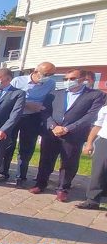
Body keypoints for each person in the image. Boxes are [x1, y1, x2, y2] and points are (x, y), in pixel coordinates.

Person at [29, 69, 106, 201]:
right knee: (46, 159)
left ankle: (62, 189)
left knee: (68, 162)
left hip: (74, 134)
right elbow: (45, 112)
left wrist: (68, 128)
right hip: (52, 132)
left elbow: (91, 116)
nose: (68, 82)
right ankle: (40, 184)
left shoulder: (95, 95)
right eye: (65, 79)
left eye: (72, 79)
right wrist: (53, 126)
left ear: (82, 79)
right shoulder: (54, 94)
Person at [0, 62, 57, 188]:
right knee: (8, 144)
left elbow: (50, 100)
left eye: (51, 74)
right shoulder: (18, 81)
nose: (48, 77)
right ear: (36, 71)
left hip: (33, 118)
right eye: (46, 74)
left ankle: (21, 177)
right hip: (15, 116)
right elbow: (9, 98)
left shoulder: (51, 84)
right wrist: (26, 104)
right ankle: (3, 172)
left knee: (26, 149)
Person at [77, 103, 107, 211]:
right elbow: (97, 126)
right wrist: (89, 143)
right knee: (99, 171)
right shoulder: (104, 109)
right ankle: (93, 201)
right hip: (104, 141)